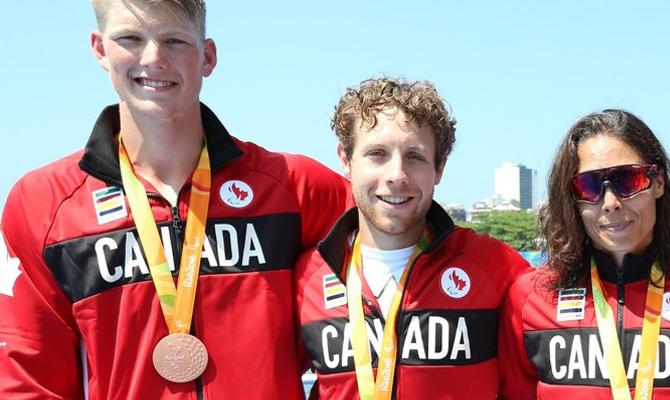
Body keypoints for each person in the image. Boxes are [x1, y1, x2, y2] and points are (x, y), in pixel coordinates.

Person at [0, 0, 351, 398]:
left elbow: (392, 306)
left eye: (175, 40)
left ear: (208, 56)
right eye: (130, 38)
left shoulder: (302, 190)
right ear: (99, 49)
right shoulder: (43, 206)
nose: (154, 58)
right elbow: (30, 381)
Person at [294, 77, 531, 399]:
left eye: (415, 157)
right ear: (346, 160)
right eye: (377, 153)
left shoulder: (497, 266)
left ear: (440, 169)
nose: (396, 175)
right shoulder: (306, 276)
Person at [498, 109, 670, 399]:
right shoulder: (530, 297)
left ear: (657, 183)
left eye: (627, 180)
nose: (610, 203)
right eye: (589, 185)